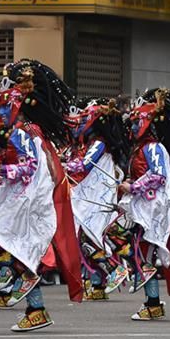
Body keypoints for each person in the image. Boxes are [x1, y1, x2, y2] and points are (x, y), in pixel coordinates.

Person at [0, 60, 84, 331]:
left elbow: (30, 167)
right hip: (20, 198)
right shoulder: (20, 131)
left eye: (5, 106)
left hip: (28, 201)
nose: (0, 111)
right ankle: (34, 309)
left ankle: (29, 301)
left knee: (14, 248)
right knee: (9, 247)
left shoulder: (24, 132)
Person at [117, 89, 170, 321]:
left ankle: (153, 304)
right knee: (140, 252)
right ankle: (152, 303)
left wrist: (132, 187)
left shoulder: (153, 147)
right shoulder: (139, 148)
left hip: (154, 208)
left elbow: (159, 175)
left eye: (135, 123)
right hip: (143, 205)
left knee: (144, 254)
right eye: (130, 123)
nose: (131, 128)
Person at [64, 98, 129, 301]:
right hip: (89, 197)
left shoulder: (99, 143)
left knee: (88, 238)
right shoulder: (88, 144)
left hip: (97, 197)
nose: (78, 126)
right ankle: (97, 284)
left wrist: (60, 164)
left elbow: (84, 166)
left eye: (82, 122)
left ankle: (115, 269)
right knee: (88, 237)